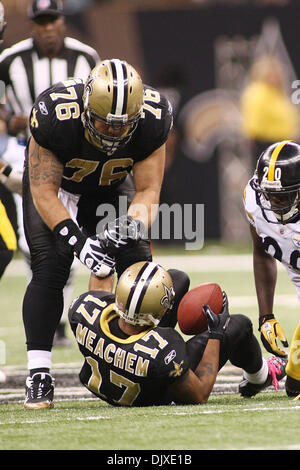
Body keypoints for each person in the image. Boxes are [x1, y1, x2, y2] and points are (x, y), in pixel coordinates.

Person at [22, 58, 173, 409]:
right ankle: (39, 373)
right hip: (59, 191)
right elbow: (43, 192)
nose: (113, 132)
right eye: (105, 121)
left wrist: (131, 224)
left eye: (123, 125)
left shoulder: (153, 119)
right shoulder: (54, 115)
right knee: (51, 267)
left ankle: (142, 357)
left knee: (137, 263)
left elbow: (149, 191)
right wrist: (79, 242)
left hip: (110, 190)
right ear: (87, 106)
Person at [32, 260, 287, 410]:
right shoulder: (164, 348)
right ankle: (260, 376)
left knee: (177, 279)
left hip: (108, 364)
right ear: (155, 316)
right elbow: (199, 394)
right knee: (239, 324)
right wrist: (216, 334)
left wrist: (104, 261)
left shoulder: (83, 308)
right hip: (150, 390)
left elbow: (101, 290)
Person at [0, 0, 100, 345]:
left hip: (72, 156)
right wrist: (10, 121)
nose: (47, 29)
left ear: (63, 21)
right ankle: (53, 310)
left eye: (52, 21)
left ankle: (57, 314)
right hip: (24, 151)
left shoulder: (86, 57)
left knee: (64, 233)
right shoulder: (10, 60)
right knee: (34, 241)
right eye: (40, 22)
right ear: (32, 25)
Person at [243, 139, 300, 398]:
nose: (275, 204)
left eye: (284, 197)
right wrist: (266, 317)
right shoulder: (254, 201)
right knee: (295, 387)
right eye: (271, 196)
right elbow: (261, 251)